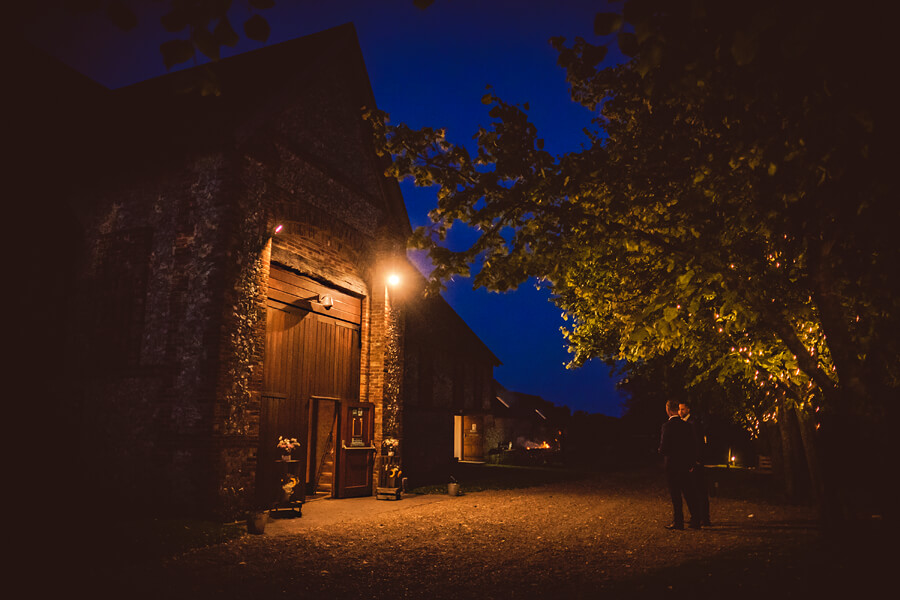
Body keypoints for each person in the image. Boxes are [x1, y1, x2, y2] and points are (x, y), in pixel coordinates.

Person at [659, 399, 700, 530]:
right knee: (689, 493)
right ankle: (696, 520)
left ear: (668, 410)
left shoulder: (667, 426)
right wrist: (691, 462)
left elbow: (664, 448)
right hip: (685, 464)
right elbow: (693, 446)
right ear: (677, 409)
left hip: (672, 465)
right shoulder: (687, 426)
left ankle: (679, 521)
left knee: (676, 495)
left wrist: (660, 450)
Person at [680, 401, 711, 527]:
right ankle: (700, 516)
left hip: (696, 462)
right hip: (692, 461)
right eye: (679, 410)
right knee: (695, 490)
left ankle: (704, 517)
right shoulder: (687, 423)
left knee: (700, 490)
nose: (680, 412)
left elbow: (698, 443)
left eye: (682, 409)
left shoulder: (692, 423)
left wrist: (697, 460)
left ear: (688, 409)